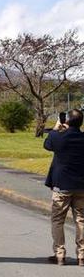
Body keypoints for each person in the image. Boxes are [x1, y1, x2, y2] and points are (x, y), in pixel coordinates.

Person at [43, 109, 84, 266]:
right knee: (81, 219)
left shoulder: (57, 137)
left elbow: (47, 145)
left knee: (58, 219)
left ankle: (59, 254)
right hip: (81, 185)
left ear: (66, 121)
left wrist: (56, 129)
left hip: (62, 185)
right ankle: (82, 254)